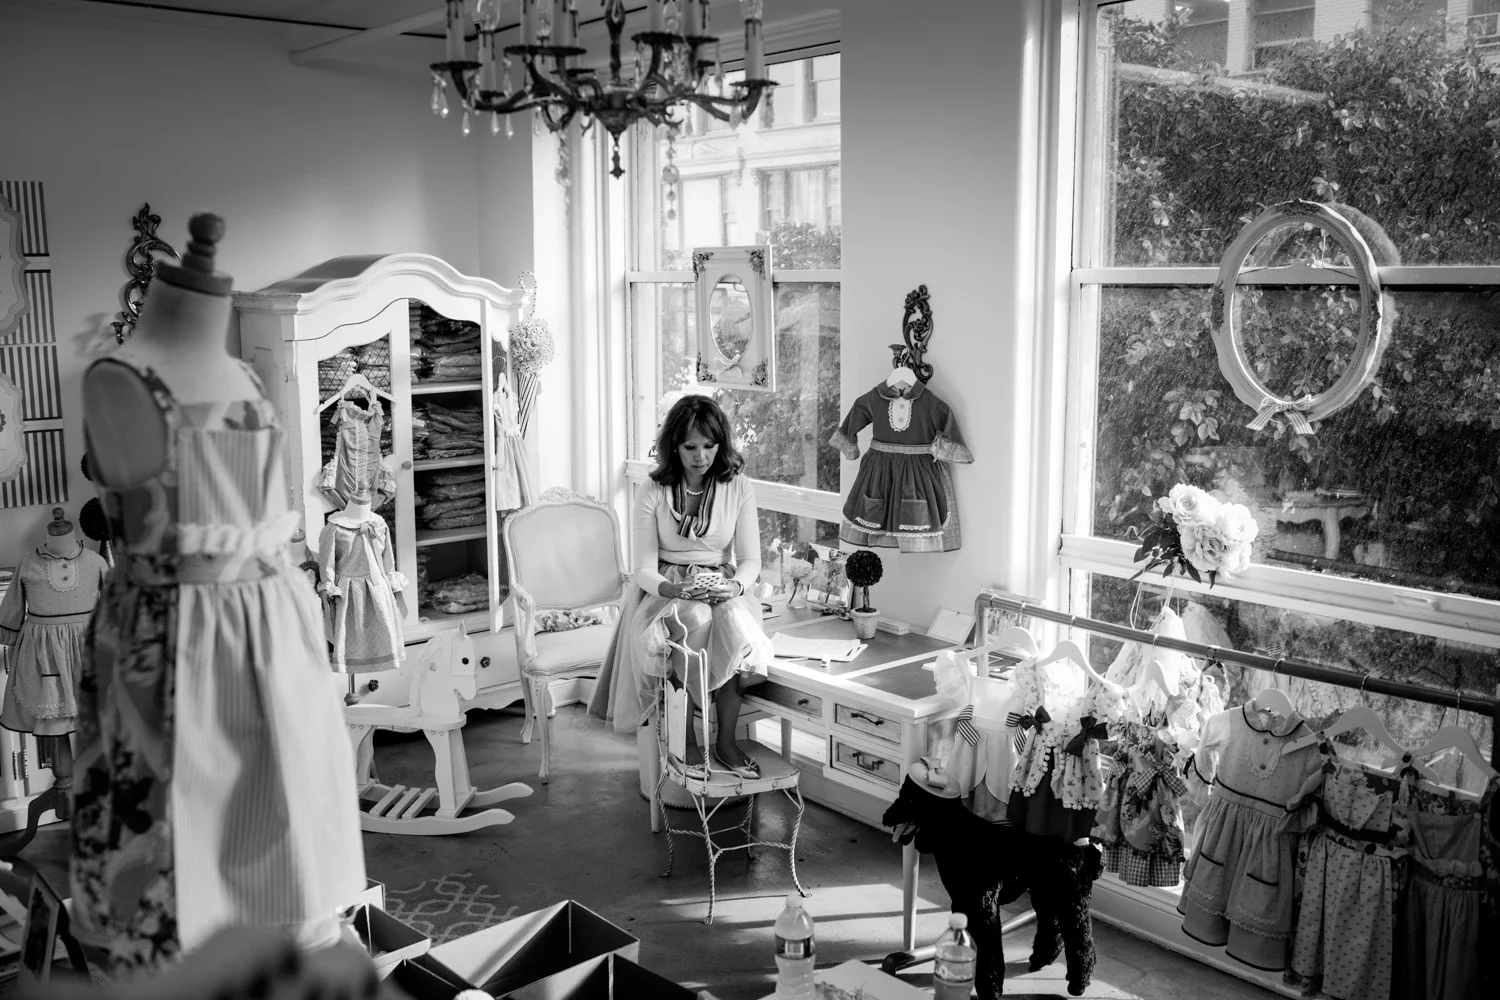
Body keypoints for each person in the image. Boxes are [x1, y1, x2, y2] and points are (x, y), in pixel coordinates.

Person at [589, 394, 773, 777]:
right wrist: (674, 590)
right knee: (691, 622)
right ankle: (686, 740)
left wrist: (735, 588)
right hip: (666, 587)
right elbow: (641, 569)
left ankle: (726, 742)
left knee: (735, 628)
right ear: (674, 445)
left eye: (709, 445)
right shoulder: (652, 490)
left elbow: (752, 559)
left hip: (724, 583)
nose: (701, 456)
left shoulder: (738, 486)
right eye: (690, 447)